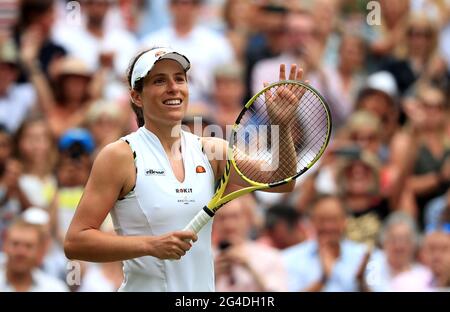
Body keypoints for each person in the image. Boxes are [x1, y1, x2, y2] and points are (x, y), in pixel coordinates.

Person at [64, 47, 302, 291]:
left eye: (179, 78)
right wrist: (150, 245)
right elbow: (75, 241)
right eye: (159, 81)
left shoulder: (212, 150)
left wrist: (281, 126)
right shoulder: (120, 155)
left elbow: (282, 180)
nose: (173, 87)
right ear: (136, 96)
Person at [282, 195, 372, 292]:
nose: (328, 226)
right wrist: (323, 279)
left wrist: (361, 282)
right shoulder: (290, 258)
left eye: (334, 220)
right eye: (322, 220)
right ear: (311, 221)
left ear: (345, 221)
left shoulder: (362, 255)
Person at [0, 217, 68, 291]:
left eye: (28, 246)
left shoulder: (55, 288)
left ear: (40, 251)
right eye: (15, 244)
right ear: (5, 245)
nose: (21, 252)